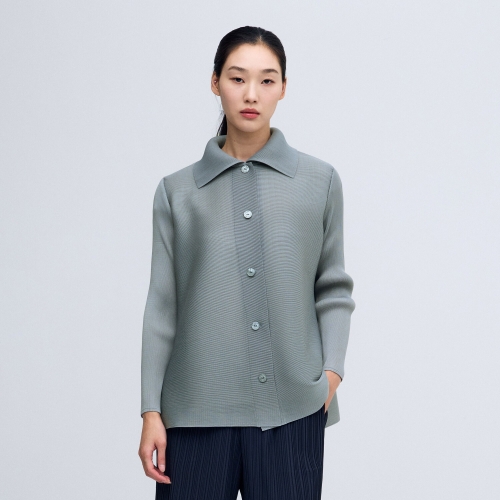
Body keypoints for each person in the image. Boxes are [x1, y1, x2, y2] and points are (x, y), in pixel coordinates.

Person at [138, 26, 356, 500]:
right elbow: (162, 306)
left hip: (292, 414)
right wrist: (151, 411)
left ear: (283, 87)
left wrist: (331, 374)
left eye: (267, 80)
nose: (251, 94)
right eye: (237, 79)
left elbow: (334, 288)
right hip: (192, 418)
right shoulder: (176, 192)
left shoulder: (319, 181)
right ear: (215, 82)